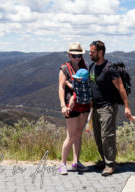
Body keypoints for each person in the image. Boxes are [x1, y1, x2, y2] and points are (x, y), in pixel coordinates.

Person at [89, 40, 132, 176]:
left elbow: (120, 87)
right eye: (90, 51)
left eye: (92, 52)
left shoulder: (110, 68)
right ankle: (104, 160)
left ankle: (110, 164)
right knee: (98, 136)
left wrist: (127, 106)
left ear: (100, 52)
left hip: (108, 107)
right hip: (95, 107)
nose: (89, 54)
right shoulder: (92, 66)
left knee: (107, 136)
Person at [58, 42, 90, 175]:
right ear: (69, 55)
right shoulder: (65, 68)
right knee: (71, 135)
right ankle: (62, 164)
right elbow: (61, 87)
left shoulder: (84, 66)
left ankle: (76, 162)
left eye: (79, 55)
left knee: (78, 134)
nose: (76, 58)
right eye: (74, 55)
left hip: (84, 104)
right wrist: (63, 106)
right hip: (70, 105)